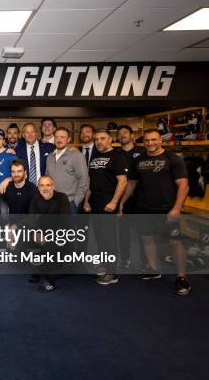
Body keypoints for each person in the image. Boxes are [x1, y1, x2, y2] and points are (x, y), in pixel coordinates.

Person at [120, 129, 190, 295]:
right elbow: (131, 184)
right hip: (144, 208)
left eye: (153, 140)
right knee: (147, 239)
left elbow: (183, 185)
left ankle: (182, 277)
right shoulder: (139, 160)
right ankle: (153, 268)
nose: (150, 143)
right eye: (147, 141)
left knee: (174, 243)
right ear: (143, 142)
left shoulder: (173, 159)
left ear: (161, 140)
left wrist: (177, 208)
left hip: (167, 209)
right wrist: (121, 202)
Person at [83, 129, 129, 285]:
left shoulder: (118, 156)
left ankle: (112, 272)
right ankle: (104, 263)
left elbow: (122, 181)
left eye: (102, 138)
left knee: (109, 237)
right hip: (95, 200)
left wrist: (114, 202)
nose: (99, 142)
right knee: (99, 236)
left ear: (110, 139)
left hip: (108, 200)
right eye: (96, 139)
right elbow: (91, 182)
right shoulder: (95, 157)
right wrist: (86, 201)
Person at [28, 175, 71, 292]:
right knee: (28, 238)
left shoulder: (62, 198)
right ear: (38, 187)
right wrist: (37, 232)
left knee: (49, 246)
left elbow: (65, 222)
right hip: (42, 233)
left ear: (53, 186)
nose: (45, 188)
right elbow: (32, 219)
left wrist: (50, 237)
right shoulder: (35, 199)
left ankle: (49, 281)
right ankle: (36, 270)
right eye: (42, 185)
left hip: (60, 235)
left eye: (48, 185)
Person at [115, 125, 147, 267]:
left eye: (125, 132)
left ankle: (145, 261)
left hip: (142, 197)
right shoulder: (115, 153)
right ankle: (125, 258)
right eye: (119, 133)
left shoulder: (143, 151)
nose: (122, 135)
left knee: (143, 231)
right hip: (123, 198)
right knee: (123, 230)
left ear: (132, 135)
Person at [46, 127, 89, 214]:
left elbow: (84, 180)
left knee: (69, 228)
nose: (59, 139)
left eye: (62, 137)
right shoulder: (49, 157)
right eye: (57, 137)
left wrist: (75, 202)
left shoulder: (77, 156)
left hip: (69, 203)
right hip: (52, 202)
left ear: (68, 139)